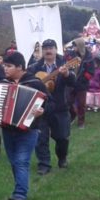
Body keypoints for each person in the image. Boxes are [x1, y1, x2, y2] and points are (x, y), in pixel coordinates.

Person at [0, 52, 47, 200]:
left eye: (8, 66)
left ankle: (20, 195)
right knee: (14, 161)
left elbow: (50, 103)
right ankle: (20, 189)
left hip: (29, 129)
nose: (5, 69)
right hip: (7, 128)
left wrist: (42, 110)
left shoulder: (35, 83)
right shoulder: (3, 83)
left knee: (21, 161)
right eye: (4, 65)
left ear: (20, 67)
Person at [28, 38, 75, 174]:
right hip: (41, 107)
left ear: (56, 50)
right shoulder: (34, 67)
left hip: (60, 106)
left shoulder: (65, 64)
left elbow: (73, 82)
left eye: (51, 48)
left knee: (62, 137)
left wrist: (67, 75)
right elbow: (27, 83)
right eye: (46, 48)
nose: (48, 51)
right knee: (40, 137)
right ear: (42, 51)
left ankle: (62, 158)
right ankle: (44, 164)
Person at [67, 38, 95, 129]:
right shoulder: (71, 55)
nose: (74, 47)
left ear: (80, 46)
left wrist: (82, 79)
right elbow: (67, 65)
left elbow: (91, 72)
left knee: (81, 104)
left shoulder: (88, 57)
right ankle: (73, 115)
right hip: (71, 83)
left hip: (82, 84)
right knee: (68, 101)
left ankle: (81, 122)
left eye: (75, 46)